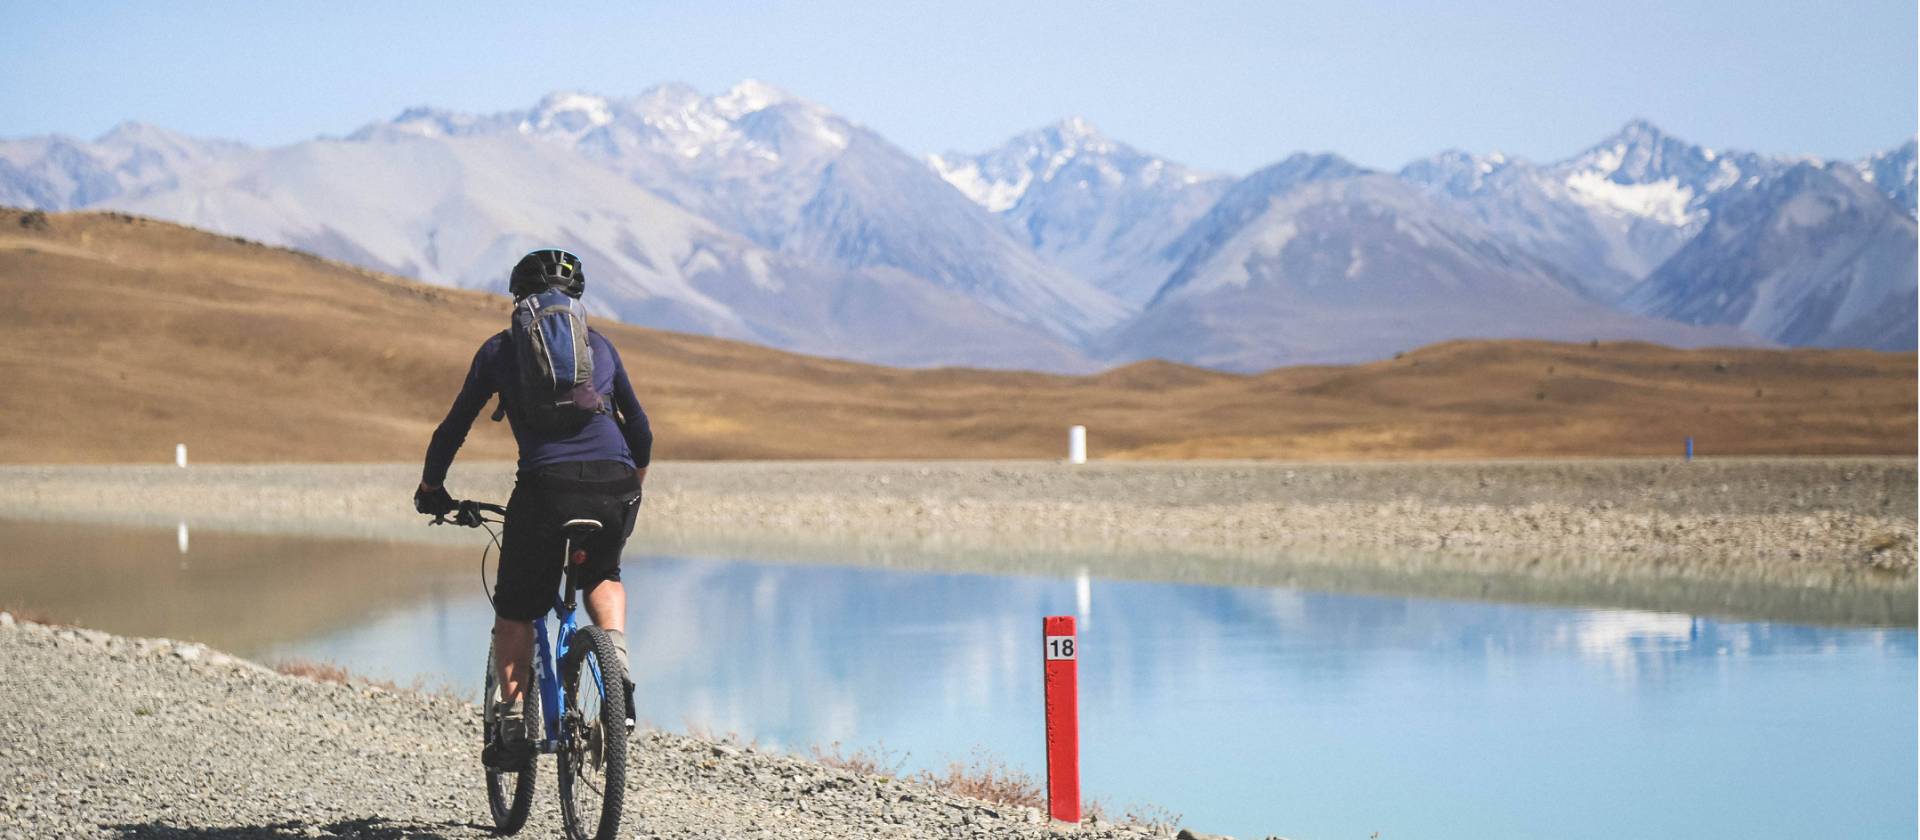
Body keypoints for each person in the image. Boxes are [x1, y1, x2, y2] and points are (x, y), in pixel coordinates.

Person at [414, 248, 652, 771]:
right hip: (614, 484)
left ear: (519, 297)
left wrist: (432, 487)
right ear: (575, 300)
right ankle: (618, 674)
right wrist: (630, 490)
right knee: (603, 575)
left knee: (517, 608)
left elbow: (452, 428)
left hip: (545, 490)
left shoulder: (501, 350)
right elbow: (641, 430)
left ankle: (516, 719)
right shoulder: (601, 346)